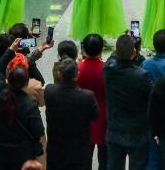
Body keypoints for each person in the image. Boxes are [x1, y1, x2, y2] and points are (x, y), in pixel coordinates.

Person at [0, 41, 45, 170]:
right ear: (26, 82)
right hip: (21, 154)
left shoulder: (0, 92)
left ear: (8, 77)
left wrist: (10, 49)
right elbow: (38, 131)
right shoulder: (29, 105)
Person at [104, 34, 153, 170]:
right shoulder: (142, 75)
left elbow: (113, 58)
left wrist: (123, 46)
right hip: (138, 132)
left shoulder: (109, 70)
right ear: (134, 52)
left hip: (115, 130)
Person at [44, 58, 99, 170]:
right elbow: (95, 116)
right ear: (77, 75)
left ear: (59, 74)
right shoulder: (87, 96)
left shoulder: (49, 92)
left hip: (56, 150)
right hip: (79, 151)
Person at [77, 34, 108, 170]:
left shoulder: (77, 68)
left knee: (84, 160)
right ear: (102, 49)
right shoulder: (107, 69)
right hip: (104, 119)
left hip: (84, 119)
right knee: (105, 160)